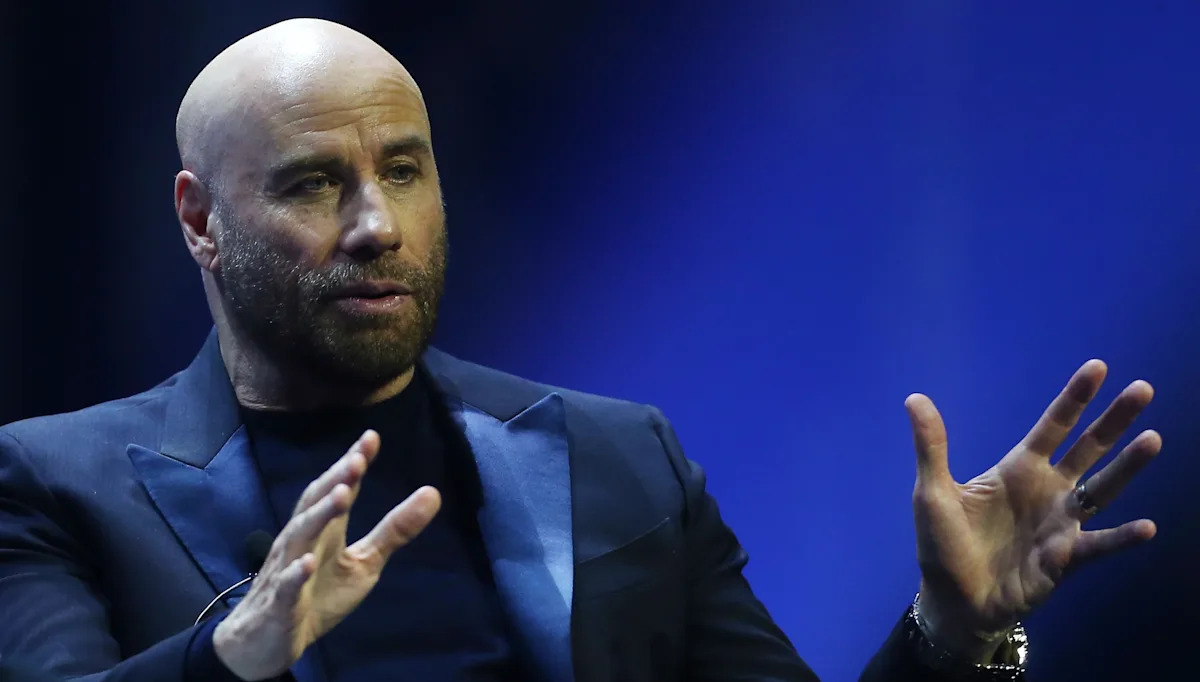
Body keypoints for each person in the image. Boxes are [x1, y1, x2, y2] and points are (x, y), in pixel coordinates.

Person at [0, 18, 1161, 682]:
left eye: (403, 169)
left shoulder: (619, 460)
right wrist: (235, 657)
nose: (377, 224)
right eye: (313, 184)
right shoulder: (54, 484)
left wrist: (955, 634)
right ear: (200, 220)